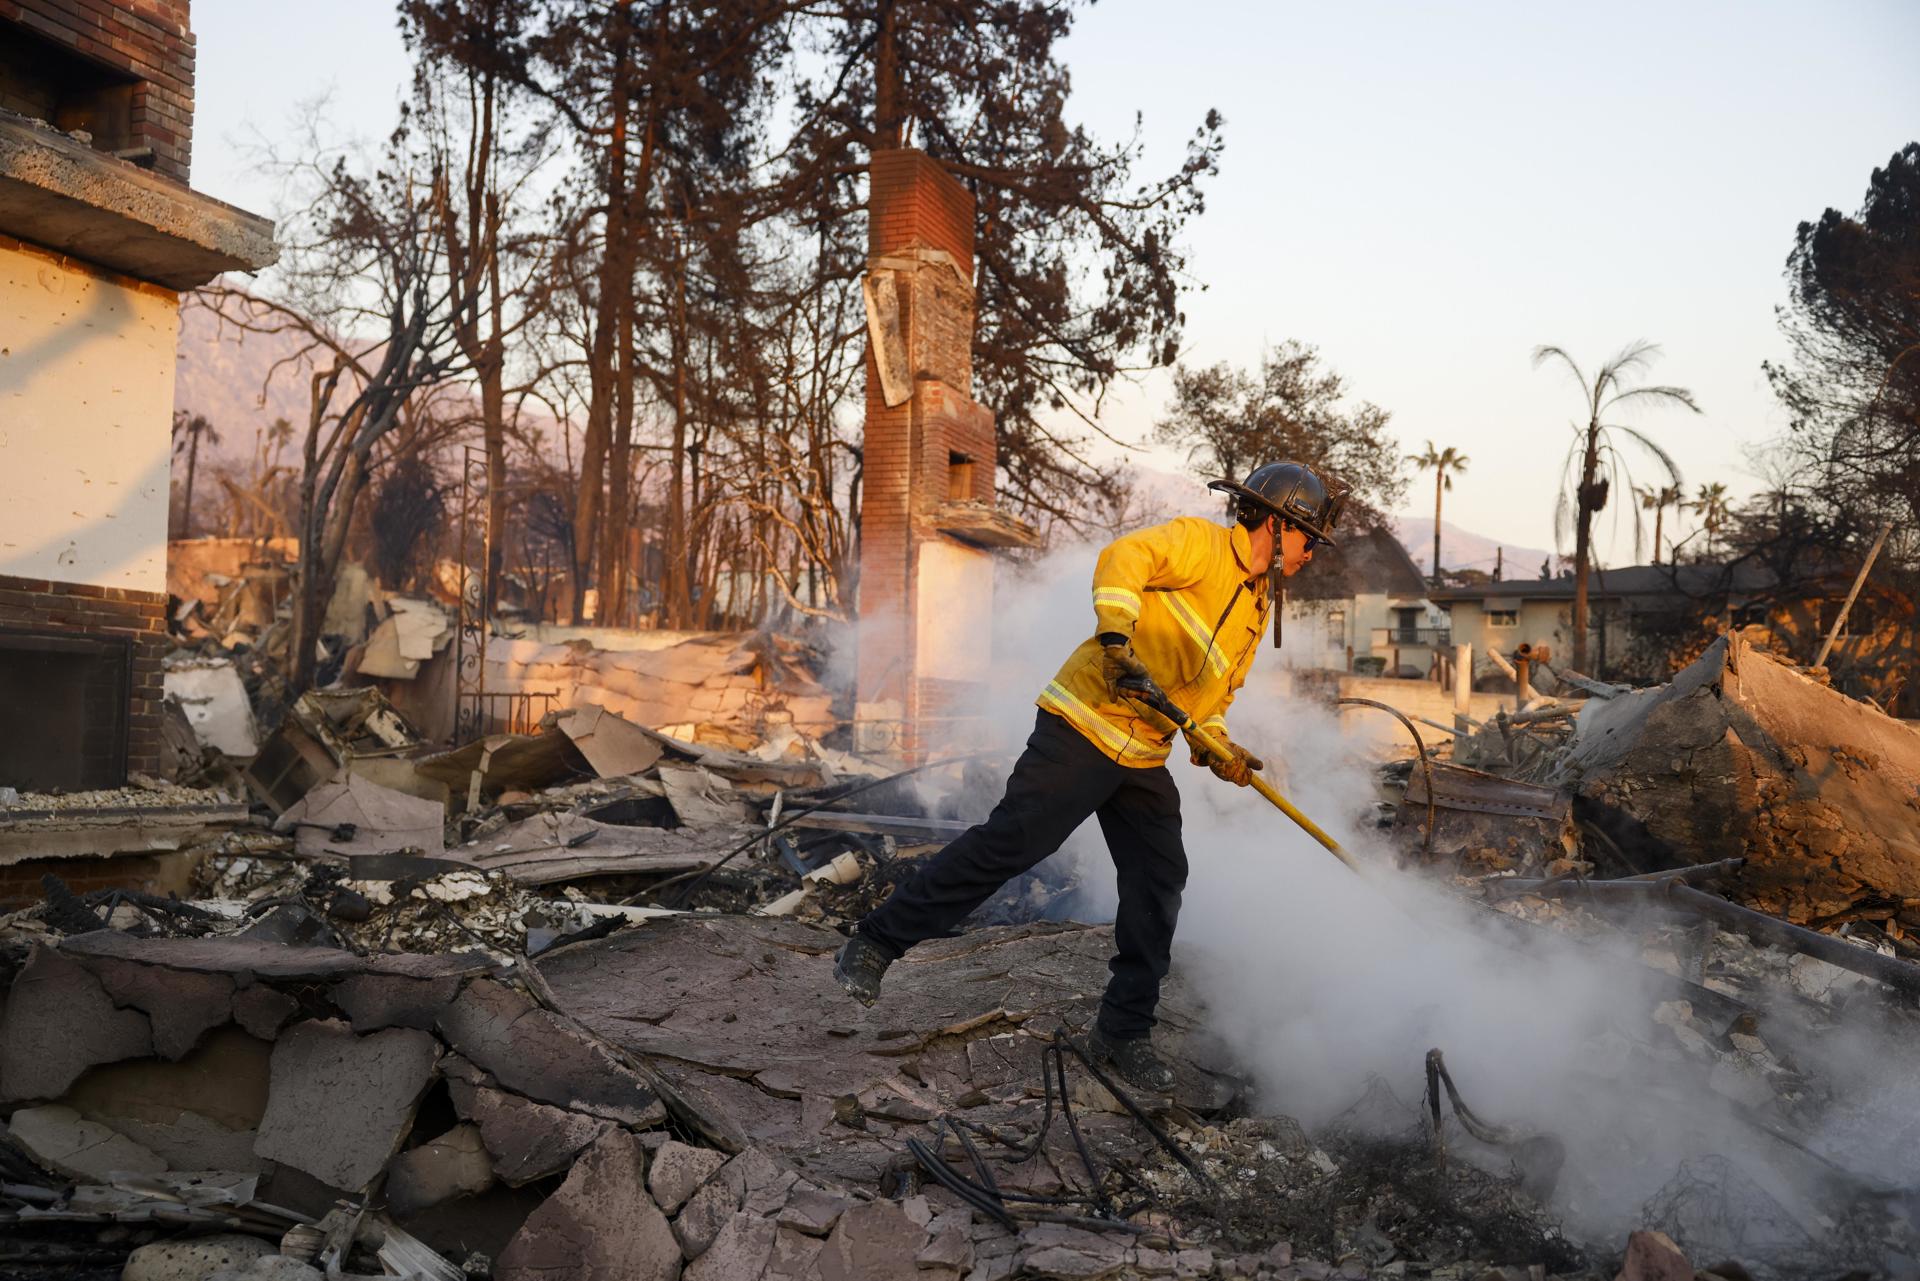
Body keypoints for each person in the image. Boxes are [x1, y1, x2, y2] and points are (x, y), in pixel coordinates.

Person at [832, 462, 1344, 1092]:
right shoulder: (1200, 545)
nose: (1312, 552)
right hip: (1084, 722)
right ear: (1275, 521)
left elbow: (1210, 700)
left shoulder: (1257, 606)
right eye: (1309, 538)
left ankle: (1122, 1032)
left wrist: (1219, 747)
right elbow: (1123, 558)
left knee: (1161, 878)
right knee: (1013, 845)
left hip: (1142, 753)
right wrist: (1116, 637)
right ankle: (876, 942)